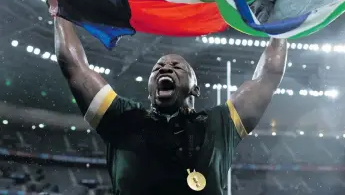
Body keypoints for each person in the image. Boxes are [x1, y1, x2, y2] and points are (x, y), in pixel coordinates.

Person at [54, 14, 287, 195]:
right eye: (157, 68)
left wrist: (282, 26)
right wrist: (59, 11)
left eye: (177, 67)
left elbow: (268, 76)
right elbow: (74, 66)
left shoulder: (221, 124)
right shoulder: (122, 118)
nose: (164, 68)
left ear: (195, 88)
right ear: (149, 89)